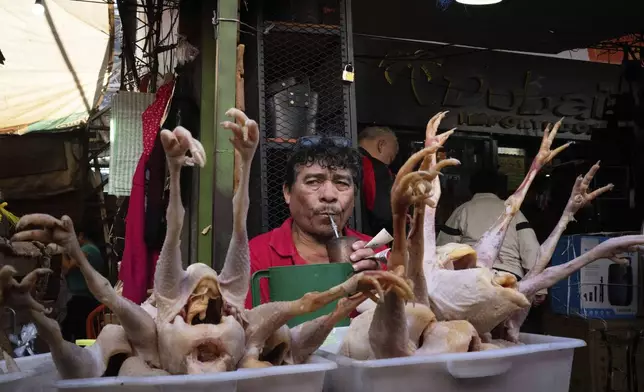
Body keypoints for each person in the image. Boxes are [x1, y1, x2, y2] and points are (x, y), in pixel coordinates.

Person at [244, 136, 390, 309]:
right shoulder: (257, 255)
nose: (329, 195)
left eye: (341, 183)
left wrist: (382, 285)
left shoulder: (377, 253)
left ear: (354, 197)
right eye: (313, 182)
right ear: (288, 193)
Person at [436, 169, 547, 305]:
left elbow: (444, 249)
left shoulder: (462, 210)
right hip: (509, 278)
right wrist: (540, 288)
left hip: (471, 278)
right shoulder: (514, 212)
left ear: (471, 189)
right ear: (499, 190)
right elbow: (530, 249)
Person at [60, 229, 105, 342]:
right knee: (77, 332)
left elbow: (67, 267)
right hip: (84, 299)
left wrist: (61, 250)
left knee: (76, 334)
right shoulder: (94, 250)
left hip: (83, 300)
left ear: (81, 235)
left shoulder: (88, 249)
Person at [357, 126, 399, 236]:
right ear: (381, 145)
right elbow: (384, 215)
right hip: (368, 240)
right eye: (391, 157)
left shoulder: (344, 161)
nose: (389, 163)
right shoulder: (376, 168)